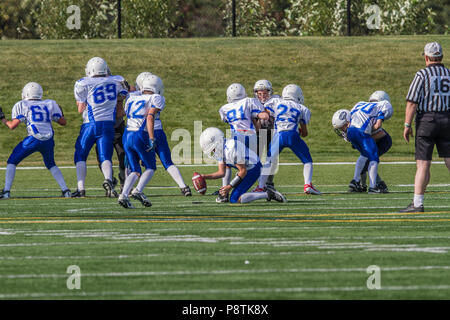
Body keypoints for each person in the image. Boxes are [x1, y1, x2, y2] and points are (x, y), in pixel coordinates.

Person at [400, 42, 450, 213]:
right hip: (447, 119)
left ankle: (418, 203)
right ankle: (417, 203)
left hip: (427, 120)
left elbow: (412, 102)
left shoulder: (422, 74)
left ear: (427, 57)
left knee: (423, 164)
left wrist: (407, 124)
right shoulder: (449, 74)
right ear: (441, 57)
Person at [0, 82, 71, 199]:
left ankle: (6, 191)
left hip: (33, 139)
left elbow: (12, 126)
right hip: (48, 139)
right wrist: (60, 112)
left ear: (26, 93)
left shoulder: (22, 104)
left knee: (12, 161)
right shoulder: (50, 103)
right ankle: (66, 190)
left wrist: (3, 119)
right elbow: (63, 122)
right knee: (51, 164)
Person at [127, 72, 192, 197]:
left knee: (138, 164)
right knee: (167, 162)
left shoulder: (132, 97)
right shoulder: (157, 98)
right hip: (156, 131)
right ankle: (183, 187)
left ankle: (132, 189)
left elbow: (130, 92)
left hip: (139, 132)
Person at [72, 57, 128, 198]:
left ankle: (81, 189)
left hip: (90, 124)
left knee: (80, 154)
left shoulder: (83, 83)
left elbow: (80, 109)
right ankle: (108, 180)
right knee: (105, 155)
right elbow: (124, 94)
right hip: (109, 124)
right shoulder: (116, 81)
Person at [256, 84, 321, 195]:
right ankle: (308, 185)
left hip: (278, 135)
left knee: (268, 160)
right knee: (307, 160)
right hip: (292, 135)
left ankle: (261, 187)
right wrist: (299, 132)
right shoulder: (302, 108)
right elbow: (304, 132)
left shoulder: (275, 102)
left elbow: (265, 113)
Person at [198, 127, 287, 204]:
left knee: (235, 199)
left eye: (213, 149)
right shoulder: (221, 149)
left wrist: (229, 187)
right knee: (234, 193)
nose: (213, 152)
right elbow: (221, 173)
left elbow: (243, 171)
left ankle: (268, 193)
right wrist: (204, 176)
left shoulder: (230, 149)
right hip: (246, 169)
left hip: (253, 168)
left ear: (218, 142)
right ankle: (225, 195)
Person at [332, 92, 393, 193]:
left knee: (364, 156)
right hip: (362, 131)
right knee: (373, 159)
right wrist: (378, 120)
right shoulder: (382, 107)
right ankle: (373, 186)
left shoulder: (359, 105)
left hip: (354, 131)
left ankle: (356, 181)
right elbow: (378, 126)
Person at [216, 83, 265, 202]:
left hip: (236, 136)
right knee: (252, 164)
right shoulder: (249, 101)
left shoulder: (224, 108)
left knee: (229, 163)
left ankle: (224, 193)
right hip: (251, 135)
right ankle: (260, 187)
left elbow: (228, 120)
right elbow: (258, 118)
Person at [118, 76, 162, 209]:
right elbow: (150, 117)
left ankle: (124, 195)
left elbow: (123, 112)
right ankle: (137, 190)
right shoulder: (156, 98)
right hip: (140, 134)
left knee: (135, 169)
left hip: (127, 134)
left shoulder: (132, 97)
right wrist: (152, 137)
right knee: (150, 167)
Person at [253, 79, 278, 189]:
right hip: (258, 133)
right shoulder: (253, 103)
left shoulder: (276, 101)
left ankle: (269, 183)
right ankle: (260, 183)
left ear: (270, 92)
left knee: (272, 158)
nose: (262, 96)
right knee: (255, 159)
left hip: (272, 132)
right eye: (260, 93)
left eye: (265, 93)